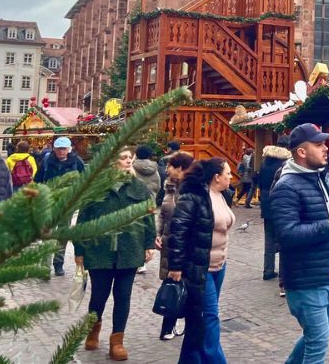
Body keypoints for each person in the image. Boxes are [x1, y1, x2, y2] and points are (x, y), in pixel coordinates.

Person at [269, 123, 329, 364]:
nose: (326, 148)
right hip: (306, 279)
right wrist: (328, 226)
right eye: (318, 145)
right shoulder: (287, 187)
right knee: (318, 342)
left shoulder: (322, 178)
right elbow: (286, 234)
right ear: (301, 152)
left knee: (317, 337)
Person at [75, 148, 156, 361]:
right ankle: (93, 330)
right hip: (99, 251)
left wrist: (149, 244)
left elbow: (149, 218)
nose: (128, 160)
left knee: (123, 297)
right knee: (99, 296)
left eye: (130, 157)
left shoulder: (140, 188)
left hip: (129, 251)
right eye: (123, 157)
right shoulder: (95, 189)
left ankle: (117, 341)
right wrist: (79, 250)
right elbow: (82, 220)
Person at [167, 158, 235, 364]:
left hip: (219, 266)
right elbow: (178, 230)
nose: (231, 177)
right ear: (216, 177)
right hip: (198, 267)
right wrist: (176, 266)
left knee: (198, 319)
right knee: (209, 317)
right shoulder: (193, 197)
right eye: (228, 173)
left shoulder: (224, 196)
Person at [156, 151, 194, 341]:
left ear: (180, 168)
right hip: (168, 243)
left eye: (170, 165)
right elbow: (163, 214)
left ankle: (186, 324)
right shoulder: (169, 187)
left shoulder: (192, 189)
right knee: (172, 283)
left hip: (185, 244)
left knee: (183, 283)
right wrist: (157, 233)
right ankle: (168, 326)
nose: (166, 169)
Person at [36, 136, 86, 275]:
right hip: (49, 202)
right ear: (54, 149)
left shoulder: (77, 162)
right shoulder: (47, 160)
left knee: (63, 234)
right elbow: (38, 180)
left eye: (63, 149)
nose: (61, 151)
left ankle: (58, 263)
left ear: (69, 149)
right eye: (58, 149)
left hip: (67, 203)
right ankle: (44, 266)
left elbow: (85, 181)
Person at [259, 136, 292, 292]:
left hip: (266, 203)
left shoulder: (265, 162)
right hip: (278, 204)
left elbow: (259, 182)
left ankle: (268, 270)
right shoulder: (284, 164)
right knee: (283, 240)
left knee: (269, 238)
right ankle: (283, 277)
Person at [157, 141, 182, 205]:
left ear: (170, 148)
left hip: (169, 186)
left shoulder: (164, 159)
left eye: (168, 148)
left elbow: (162, 174)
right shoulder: (185, 158)